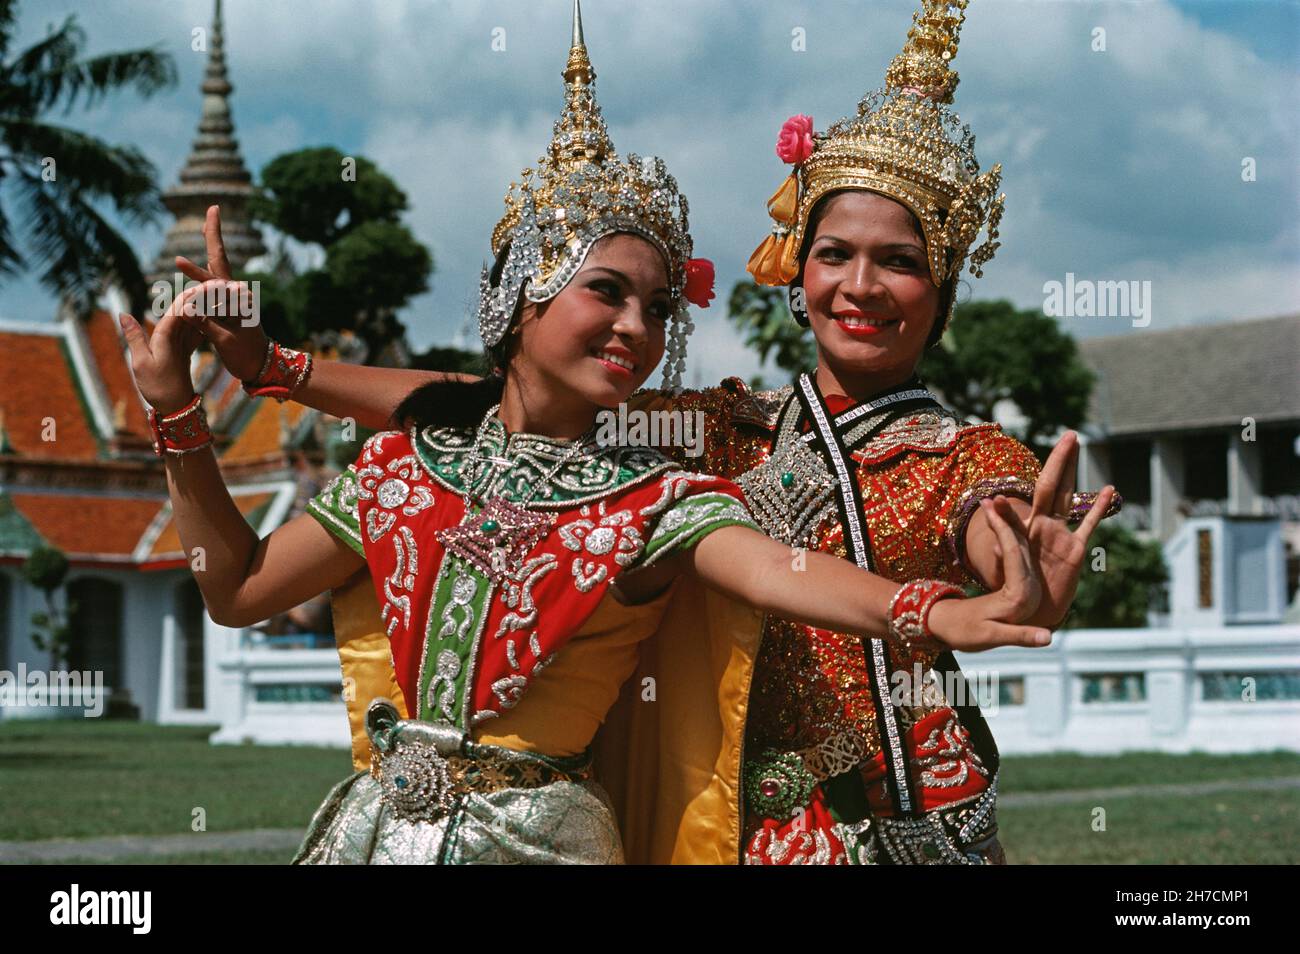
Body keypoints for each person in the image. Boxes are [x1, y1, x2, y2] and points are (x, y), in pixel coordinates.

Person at [124, 1, 1055, 865]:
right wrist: (248, 379)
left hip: (898, 812)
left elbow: (920, 538)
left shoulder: (684, 483)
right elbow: (455, 403)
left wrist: (967, 596)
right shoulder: (704, 430)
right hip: (726, 824)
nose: (861, 286)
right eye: (835, 254)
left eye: (900, 263)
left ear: (943, 289)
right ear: (797, 269)